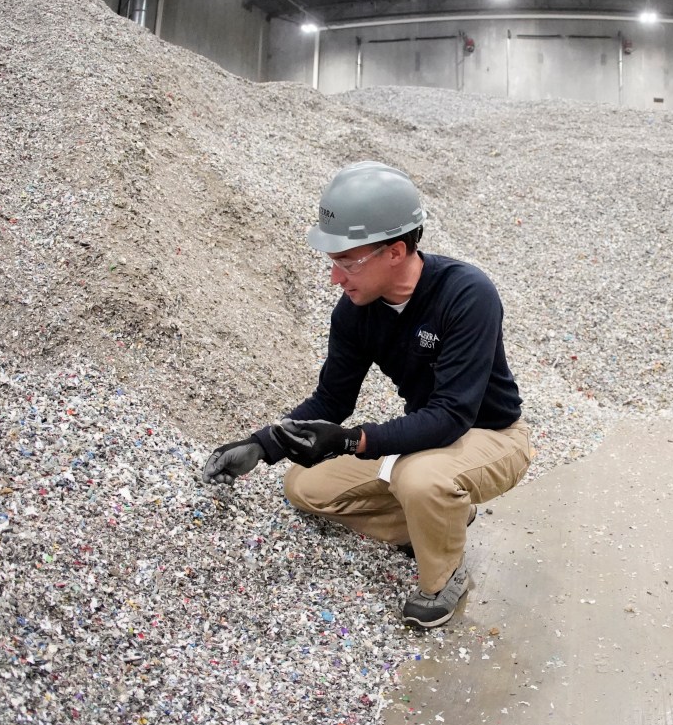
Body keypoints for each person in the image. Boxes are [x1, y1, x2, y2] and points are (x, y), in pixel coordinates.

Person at [202, 161, 533, 628]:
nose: (336, 278)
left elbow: (453, 414)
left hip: (492, 436)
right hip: (432, 439)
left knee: (419, 478)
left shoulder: (467, 294)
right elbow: (332, 399)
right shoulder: (355, 312)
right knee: (304, 486)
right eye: (333, 262)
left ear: (396, 251)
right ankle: (442, 518)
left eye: (347, 261)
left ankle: (444, 575)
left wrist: (350, 441)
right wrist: (263, 443)